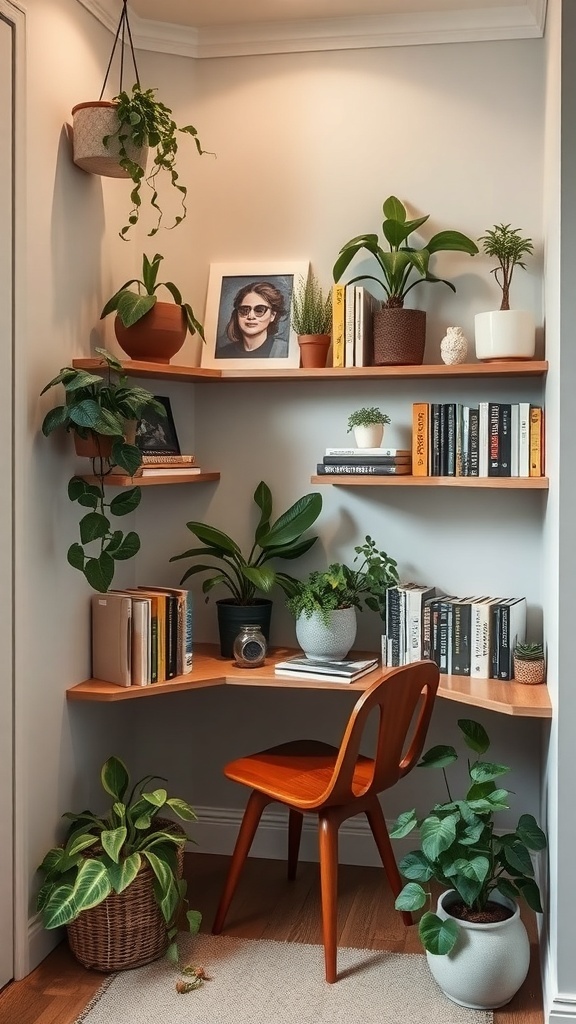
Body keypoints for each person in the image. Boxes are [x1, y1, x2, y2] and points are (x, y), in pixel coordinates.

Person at [215, 281, 289, 358]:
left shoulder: (283, 351)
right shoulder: (223, 353)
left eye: (259, 310)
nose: (251, 316)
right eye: (244, 310)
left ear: (272, 315)